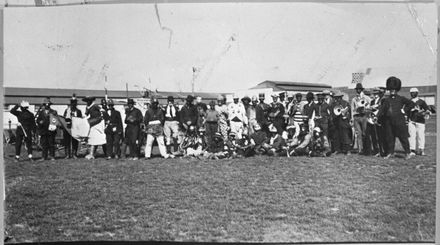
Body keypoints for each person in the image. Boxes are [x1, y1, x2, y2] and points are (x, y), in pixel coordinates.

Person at [378, 76, 414, 160]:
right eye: (391, 90)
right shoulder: (386, 100)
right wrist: (377, 116)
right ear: (389, 90)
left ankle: (408, 152)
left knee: (403, 138)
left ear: (396, 90)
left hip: (399, 121)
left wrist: (404, 110)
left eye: (394, 90)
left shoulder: (401, 99)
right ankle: (390, 153)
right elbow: (382, 109)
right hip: (388, 122)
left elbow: (411, 104)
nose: (392, 91)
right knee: (389, 138)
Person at [408, 87, 431, 156]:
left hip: (420, 121)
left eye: (414, 92)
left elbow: (427, 110)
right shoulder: (409, 101)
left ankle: (421, 150)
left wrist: (422, 112)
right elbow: (405, 111)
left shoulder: (421, 102)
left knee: (421, 136)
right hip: (411, 121)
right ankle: (412, 150)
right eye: (411, 93)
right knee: (411, 136)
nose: (412, 94)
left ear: (417, 93)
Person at [351, 83, 371, 155]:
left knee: (364, 133)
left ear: (361, 90)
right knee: (358, 133)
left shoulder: (366, 98)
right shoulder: (354, 99)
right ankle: (360, 149)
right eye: (357, 89)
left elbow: (370, 105)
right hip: (357, 116)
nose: (358, 90)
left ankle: (366, 149)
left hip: (364, 116)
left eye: (359, 89)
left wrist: (366, 108)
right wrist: (352, 118)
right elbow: (352, 109)